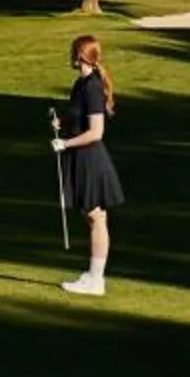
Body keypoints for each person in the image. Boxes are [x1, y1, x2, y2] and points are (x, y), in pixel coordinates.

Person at [50, 32, 124, 296]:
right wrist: (63, 124)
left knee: (96, 216)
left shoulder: (92, 86)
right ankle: (92, 275)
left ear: (80, 55)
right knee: (90, 215)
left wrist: (66, 143)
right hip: (82, 157)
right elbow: (78, 118)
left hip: (91, 158)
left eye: (73, 51)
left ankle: (96, 279)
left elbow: (96, 132)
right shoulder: (80, 84)